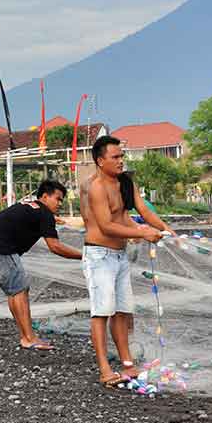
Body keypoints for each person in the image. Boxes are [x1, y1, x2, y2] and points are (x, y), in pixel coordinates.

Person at [81, 135, 175, 386]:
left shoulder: (125, 182)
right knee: (102, 311)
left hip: (120, 256)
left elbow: (143, 211)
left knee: (123, 310)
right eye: (115, 157)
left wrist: (166, 230)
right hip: (99, 255)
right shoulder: (96, 187)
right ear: (100, 161)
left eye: (122, 156)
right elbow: (106, 225)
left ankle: (127, 364)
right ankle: (104, 369)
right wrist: (142, 233)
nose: (121, 161)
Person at [0, 180, 81, 350]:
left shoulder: (32, 207)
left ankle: (25, 336)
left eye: (62, 200)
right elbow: (55, 247)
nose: (60, 204)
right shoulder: (44, 213)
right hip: (0, 249)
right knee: (20, 289)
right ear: (45, 196)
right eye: (58, 199)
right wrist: (85, 256)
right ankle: (29, 338)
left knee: (15, 291)